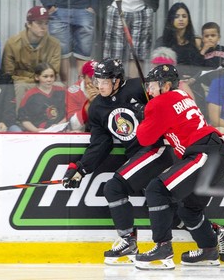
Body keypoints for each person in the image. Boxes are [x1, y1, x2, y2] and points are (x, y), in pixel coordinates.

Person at [61, 58, 174, 266]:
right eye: (98, 80)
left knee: (114, 187)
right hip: (139, 156)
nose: (100, 85)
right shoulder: (96, 109)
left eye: (106, 81)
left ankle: (133, 241)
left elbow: (168, 101)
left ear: (117, 80)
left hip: (160, 148)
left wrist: (150, 108)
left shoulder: (137, 87)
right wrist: (80, 168)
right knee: (172, 200)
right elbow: (100, 145)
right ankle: (213, 235)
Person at [134, 64, 224, 270]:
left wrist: (143, 115)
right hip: (214, 155)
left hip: (202, 155)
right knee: (189, 209)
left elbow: (144, 138)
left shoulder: (159, 103)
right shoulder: (183, 96)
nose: (148, 90)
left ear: (165, 85)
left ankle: (163, 249)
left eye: (151, 86)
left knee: (156, 189)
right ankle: (209, 250)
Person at [1, 6, 61, 109]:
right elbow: (8, 74)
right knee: (19, 86)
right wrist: (34, 78)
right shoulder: (12, 43)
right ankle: (19, 121)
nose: (43, 27)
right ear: (28, 24)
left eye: (46, 23)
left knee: (60, 86)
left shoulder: (54, 44)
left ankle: (53, 120)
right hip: (21, 84)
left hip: (43, 82)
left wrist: (26, 76)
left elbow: (53, 72)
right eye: (39, 23)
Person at [40, 0, 99, 85]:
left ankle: (81, 93)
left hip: (84, 7)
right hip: (58, 8)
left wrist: (93, 5)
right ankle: (65, 92)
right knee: (61, 54)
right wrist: (49, 4)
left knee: (83, 53)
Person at [102, 0, 157, 78]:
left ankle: (133, 87)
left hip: (142, 7)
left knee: (138, 55)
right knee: (114, 54)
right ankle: (114, 87)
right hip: (117, 6)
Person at [155, 2, 204, 80]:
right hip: (170, 82)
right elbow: (159, 68)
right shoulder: (162, 42)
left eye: (184, 16)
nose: (181, 19)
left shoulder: (196, 41)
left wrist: (192, 79)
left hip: (194, 82)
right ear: (171, 19)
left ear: (188, 19)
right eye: (177, 16)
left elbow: (200, 66)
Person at [18, 62, 66, 132]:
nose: (49, 79)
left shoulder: (62, 91)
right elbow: (23, 119)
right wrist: (36, 130)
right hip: (37, 135)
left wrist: (58, 126)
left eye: (52, 76)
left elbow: (69, 113)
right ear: (37, 77)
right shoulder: (29, 95)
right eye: (45, 76)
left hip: (60, 132)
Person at [66, 60, 99, 132]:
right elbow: (73, 125)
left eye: (98, 77)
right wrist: (89, 104)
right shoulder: (74, 91)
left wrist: (101, 98)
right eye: (91, 77)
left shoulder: (107, 87)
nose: (95, 81)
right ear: (83, 77)